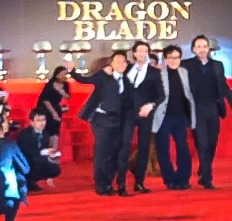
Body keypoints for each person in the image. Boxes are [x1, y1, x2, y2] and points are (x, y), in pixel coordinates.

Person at [72, 51, 132, 196]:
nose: (121, 64)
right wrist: (71, 71)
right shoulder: (103, 77)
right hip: (102, 120)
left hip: (118, 121)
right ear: (111, 63)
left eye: (124, 61)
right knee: (101, 153)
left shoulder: (128, 80)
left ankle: (108, 183)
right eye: (117, 61)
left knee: (114, 153)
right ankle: (101, 185)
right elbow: (84, 80)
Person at [181, 36, 232, 190]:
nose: (202, 49)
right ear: (193, 49)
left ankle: (202, 170)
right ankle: (206, 178)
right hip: (196, 109)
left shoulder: (217, 65)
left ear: (208, 49)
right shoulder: (186, 65)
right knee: (202, 143)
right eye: (198, 46)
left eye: (204, 46)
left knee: (211, 143)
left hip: (213, 108)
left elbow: (224, 86)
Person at [151, 45, 196, 190]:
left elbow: (190, 94)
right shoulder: (158, 74)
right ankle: (169, 179)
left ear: (180, 58)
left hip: (180, 117)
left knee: (183, 148)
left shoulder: (185, 72)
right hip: (162, 117)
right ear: (164, 59)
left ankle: (183, 179)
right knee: (162, 150)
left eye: (176, 57)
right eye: (170, 57)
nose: (173, 60)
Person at [122, 41, 163, 193]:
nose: (142, 53)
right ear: (134, 53)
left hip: (146, 114)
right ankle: (121, 183)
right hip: (127, 113)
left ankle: (139, 182)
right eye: (139, 51)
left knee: (144, 147)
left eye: (145, 51)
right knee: (124, 146)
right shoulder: (126, 69)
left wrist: (151, 105)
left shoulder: (155, 72)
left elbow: (161, 95)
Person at [15, 109, 62, 191]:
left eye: (43, 120)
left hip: (39, 160)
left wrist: (51, 153)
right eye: (38, 120)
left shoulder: (46, 134)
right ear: (31, 122)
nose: (42, 123)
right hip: (26, 162)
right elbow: (25, 152)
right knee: (38, 159)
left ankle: (35, 180)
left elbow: (45, 151)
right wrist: (43, 152)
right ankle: (28, 181)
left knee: (55, 168)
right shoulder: (24, 134)